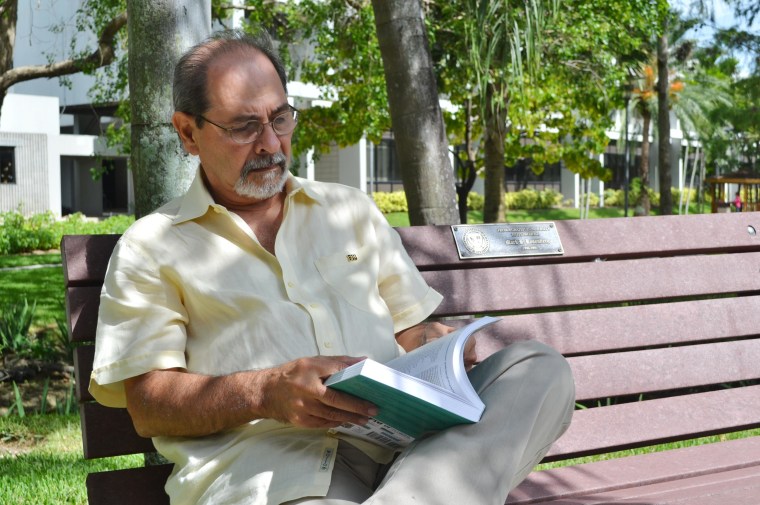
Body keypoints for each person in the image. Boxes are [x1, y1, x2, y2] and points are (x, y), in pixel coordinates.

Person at [90, 29, 574, 505]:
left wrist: (441, 350)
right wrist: (264, 392)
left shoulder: (349, 210)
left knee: (536, 368)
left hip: (410, 449)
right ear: (188, 132)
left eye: (280, 119)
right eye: (243, 127)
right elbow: (150, 404)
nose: (270, 144)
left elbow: (412, 331)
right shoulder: (152, 247)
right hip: (275, 471)